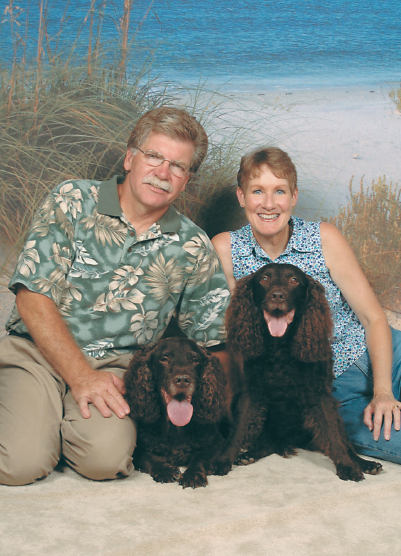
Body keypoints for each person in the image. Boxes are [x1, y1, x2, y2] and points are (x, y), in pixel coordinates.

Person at [0, 106, 230, 486]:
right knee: (21, 464)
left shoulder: (192, 244)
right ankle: (34, 418)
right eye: (154, 156)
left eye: (178, 166)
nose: (162, 172)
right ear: (129, 158)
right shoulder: (72, 199)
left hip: (117, 372)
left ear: (186, 180)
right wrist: (79, 377)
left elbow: (215, 341)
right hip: (36, 352)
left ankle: (51, 423)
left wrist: (213, 411)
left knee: (104, 460)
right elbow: (32, 295)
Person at [212, 146, 401, 464]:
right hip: (329, 386)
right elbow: (238, 333)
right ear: (241, 197)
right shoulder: (226, 248)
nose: (269, 204)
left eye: (279, 191)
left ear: (294, 197)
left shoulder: (323, 237)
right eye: (258, 191)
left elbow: (373, 318)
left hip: (384, 353)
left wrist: (384, 390)